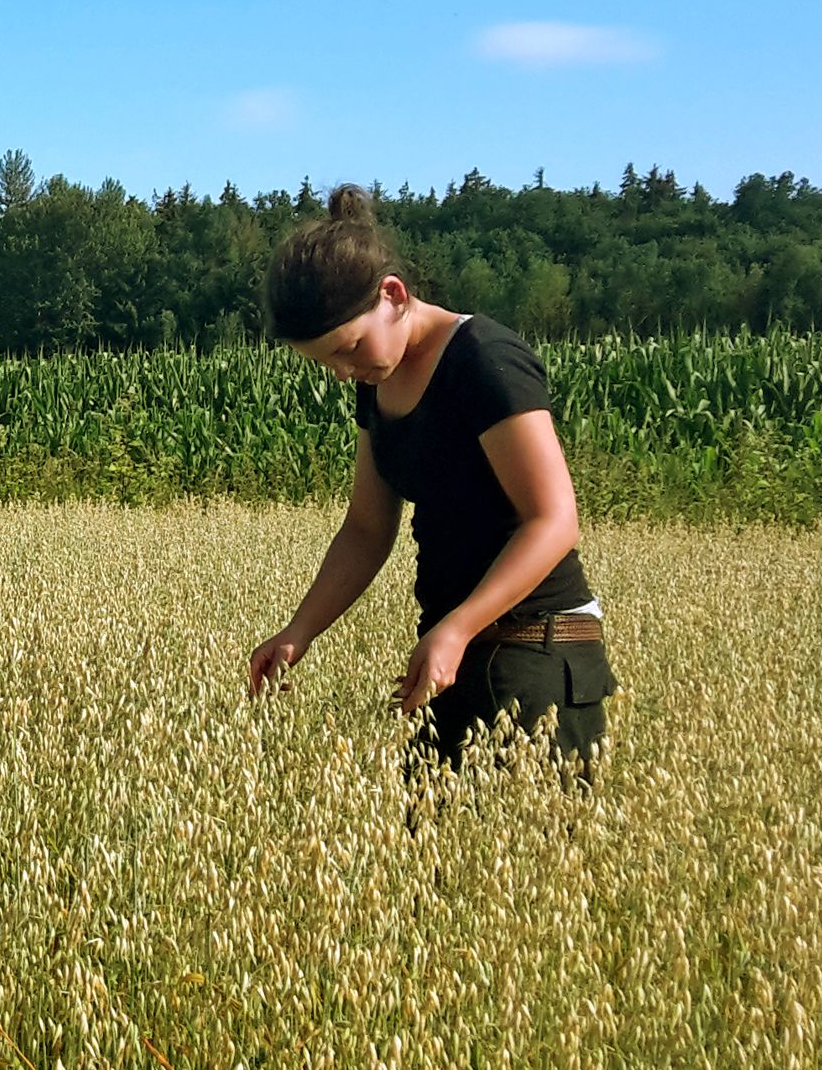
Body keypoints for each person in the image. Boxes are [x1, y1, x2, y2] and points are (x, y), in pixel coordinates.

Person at [244, 185, 617, 789]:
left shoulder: (484, 361)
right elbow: (367, 530)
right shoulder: (377, 381)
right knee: (438, 873)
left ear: (393, 295)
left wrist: (458, 626)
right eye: (327, 364)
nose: (344, 372)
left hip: (541, 656)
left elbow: (552, 520)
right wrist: (298, 631)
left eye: (350, 348)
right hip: (450, 656)